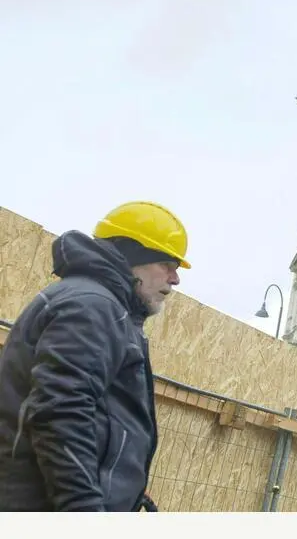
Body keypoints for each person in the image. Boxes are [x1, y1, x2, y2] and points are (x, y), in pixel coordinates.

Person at [0, 201, 189, 512]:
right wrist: (84, 511)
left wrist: (126, 488)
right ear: (133, 258)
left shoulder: (106, 309)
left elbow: (101, 420)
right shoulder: (91, 307)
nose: (175, 278)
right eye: (167, 264)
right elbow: (61, 412)